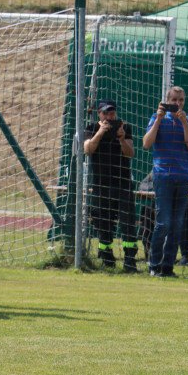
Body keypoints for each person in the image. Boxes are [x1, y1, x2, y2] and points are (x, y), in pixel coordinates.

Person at [143, 86, 188, 278]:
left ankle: (168, 266)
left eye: (180, 100)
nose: (177, 104)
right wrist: (158, 118)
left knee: (177, 224)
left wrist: (183, 123)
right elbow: (146, 143)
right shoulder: (155, 118)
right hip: (163, 176)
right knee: (163, 223)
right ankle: (154, 264)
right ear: (167, 100)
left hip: (182, 177)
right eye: (174, 100)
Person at [83, 99, 137, 271]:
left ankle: (130, 259)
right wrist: (100, 132)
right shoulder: (92, 128)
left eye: (112, 113)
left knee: (128, 222)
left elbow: (131, 153)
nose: (109, 116)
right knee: (103, 223)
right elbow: (87, 149)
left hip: (123, 184)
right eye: (105, 113)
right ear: (99, 114)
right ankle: (107, 258)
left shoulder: (124, 127)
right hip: (101, 185)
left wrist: (121, 139)